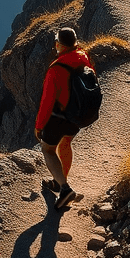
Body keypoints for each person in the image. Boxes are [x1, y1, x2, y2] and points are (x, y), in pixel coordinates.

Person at [35, 26, 93, 210]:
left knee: (48, 150)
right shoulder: (83, 56)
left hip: (59, 115)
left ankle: (65, 189)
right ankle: (58, 181)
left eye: (57, 42)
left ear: (59, 45)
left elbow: (47, 101)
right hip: (77, 114)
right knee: (66, 144)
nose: (55, 45)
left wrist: (39, 126)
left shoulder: (56, 68)